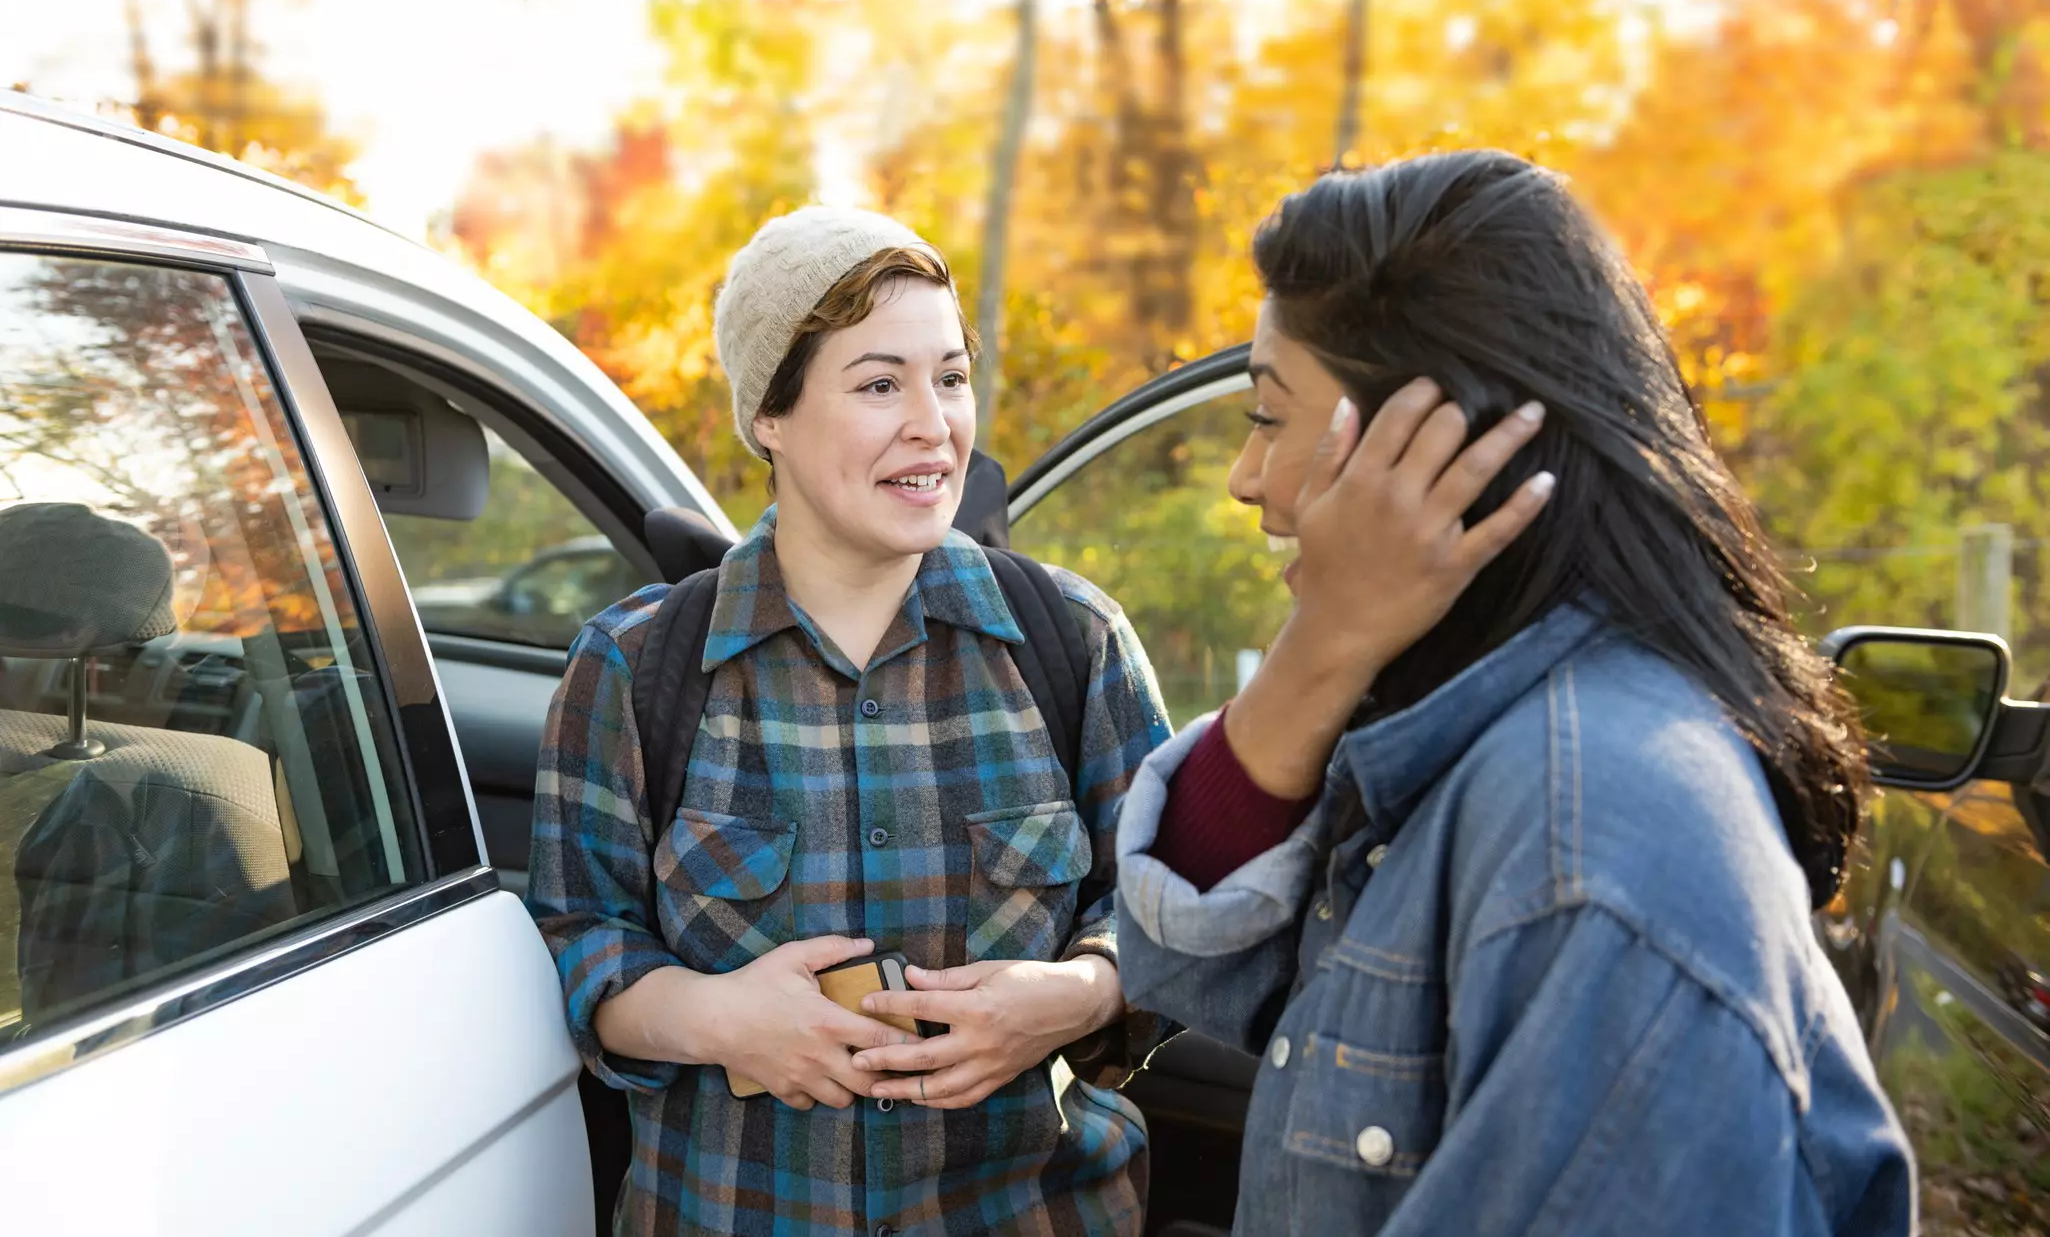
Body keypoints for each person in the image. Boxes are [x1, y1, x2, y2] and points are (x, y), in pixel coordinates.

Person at [1115, 152, 1915, 1235]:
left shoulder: (1593, 836)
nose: (1243, 477)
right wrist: (1325, 638)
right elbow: (1185, 964)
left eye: (1266, 415)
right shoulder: (1457, 725)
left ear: (1432, 441)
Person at [527, 206, 1173, 1236]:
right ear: (769, 417)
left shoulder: (1074, 640)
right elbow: (579, 939)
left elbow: (1170, 910)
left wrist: (1080, 992)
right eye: (880, 384)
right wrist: (714, 1017)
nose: (933, 424)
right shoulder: (633, 665)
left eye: (950, 377)